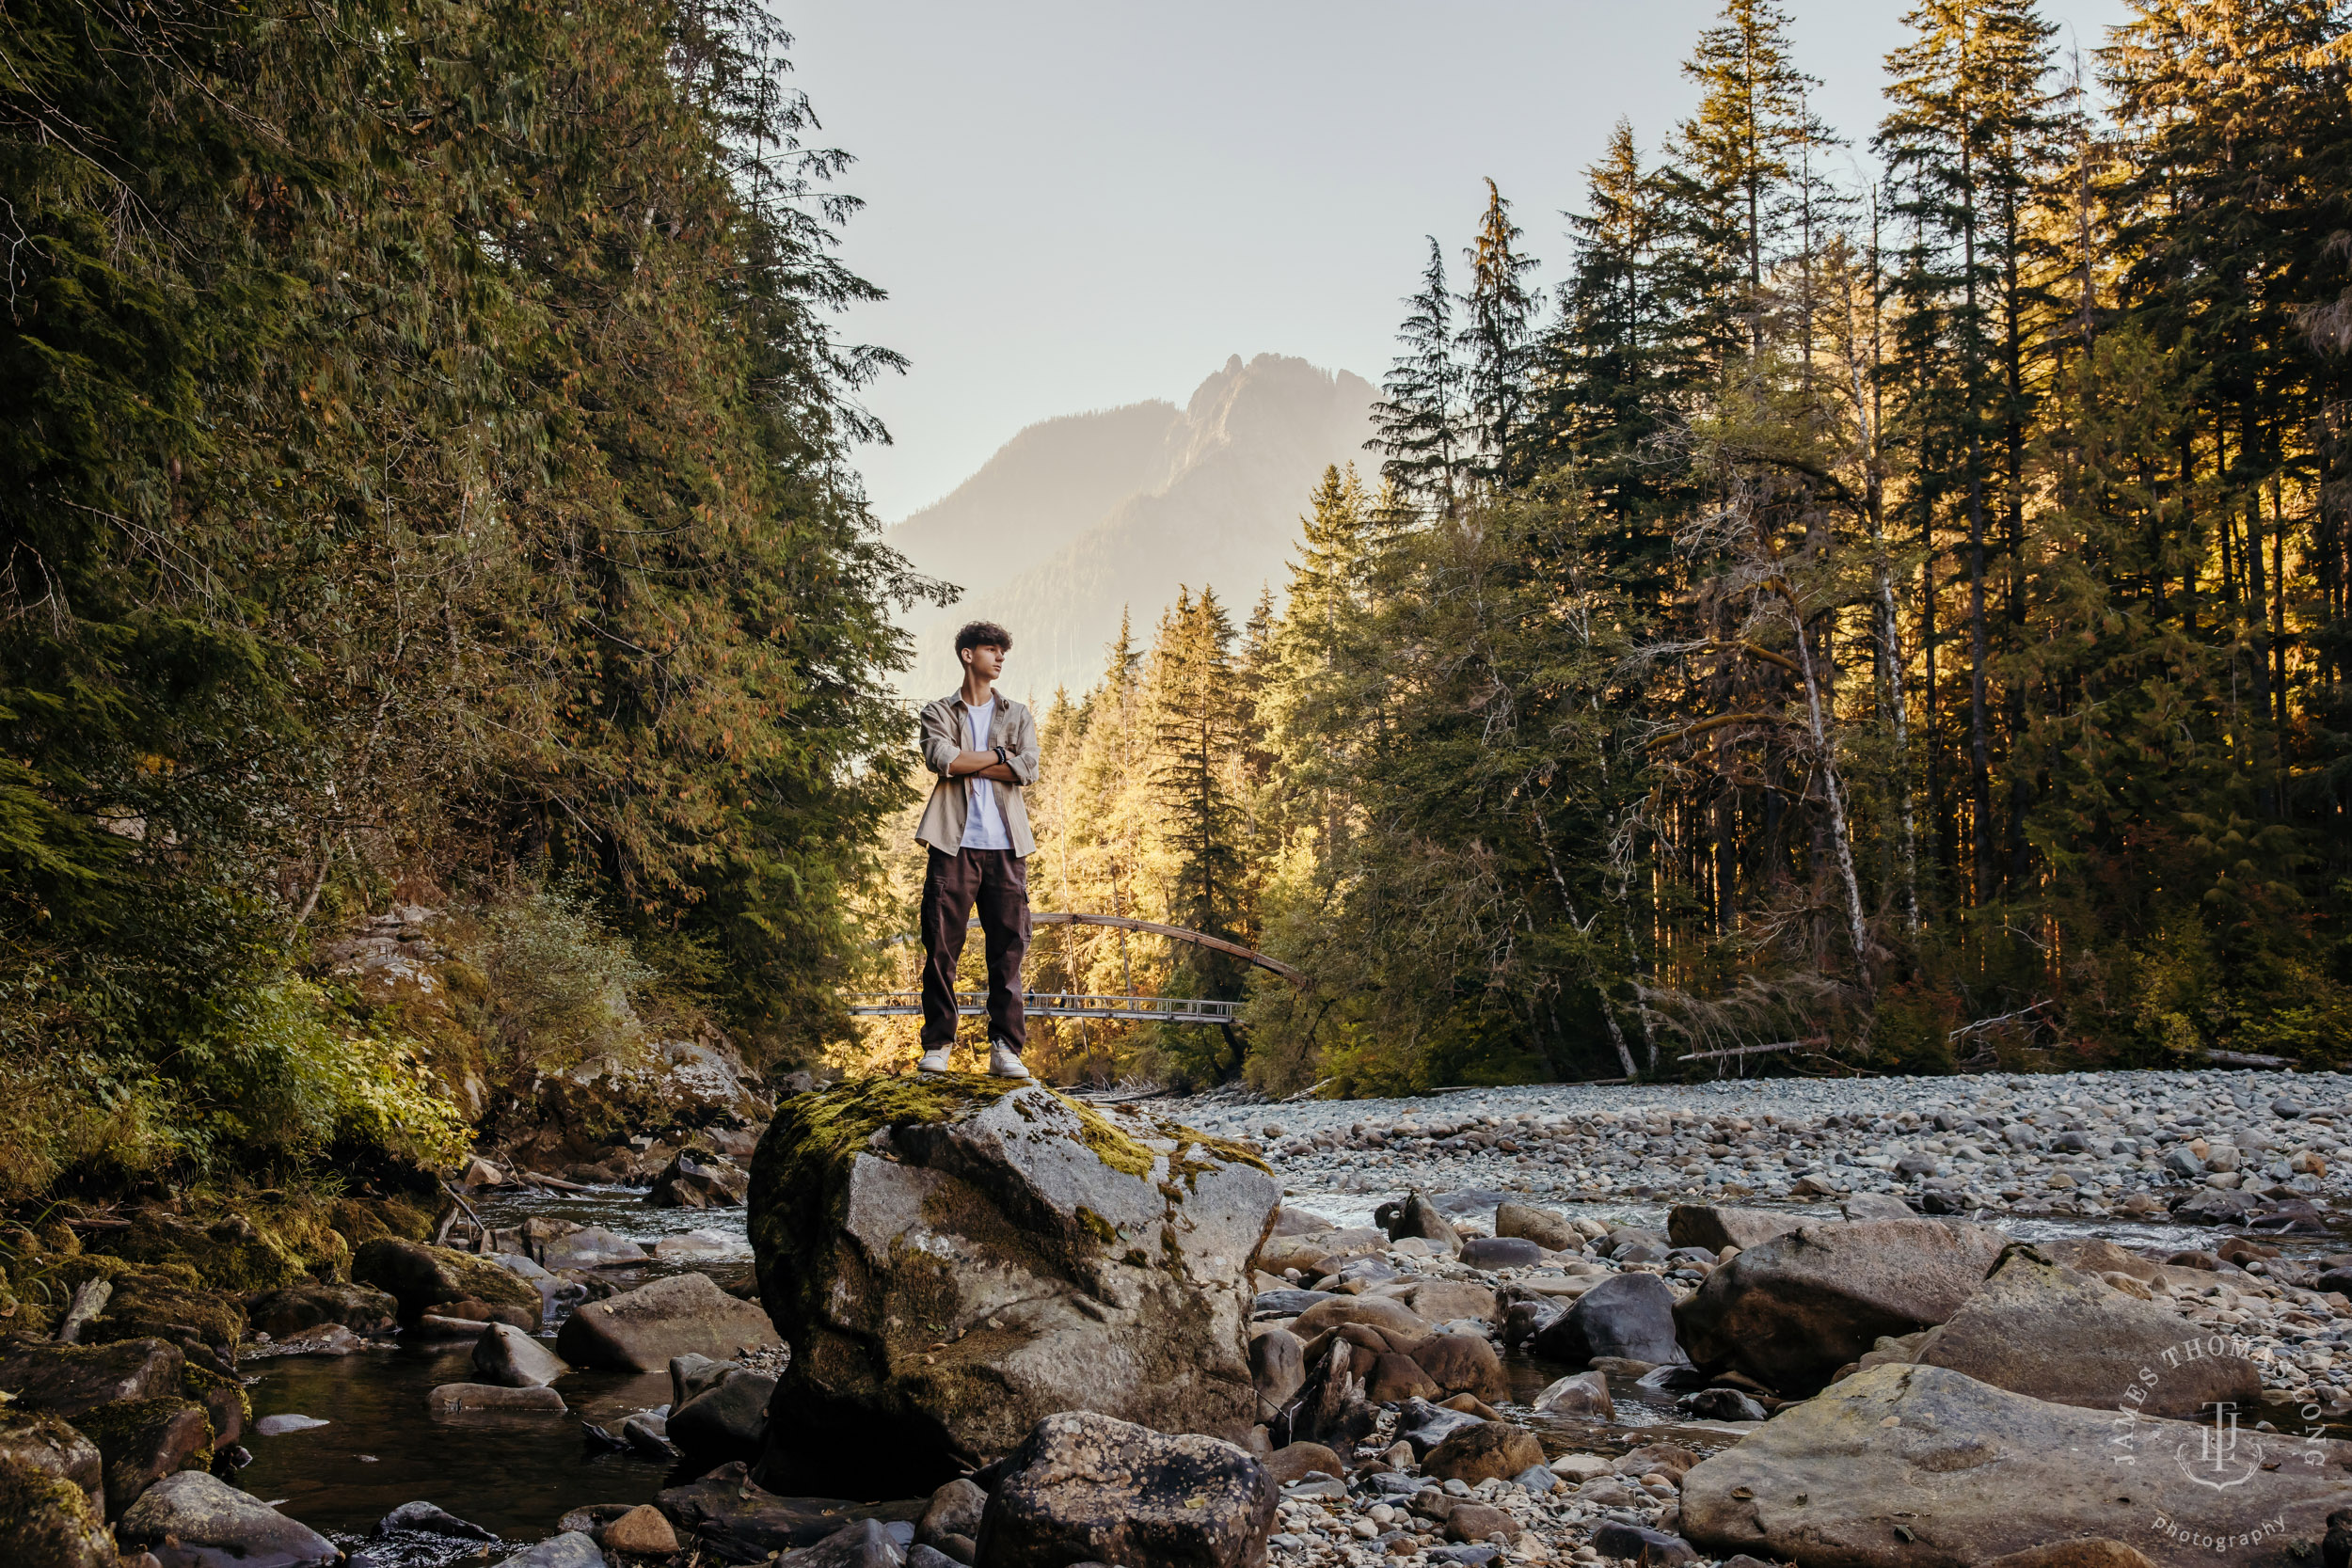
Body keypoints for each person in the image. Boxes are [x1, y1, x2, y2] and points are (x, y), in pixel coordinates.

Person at [914, 621, 1041, 1077]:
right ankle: (938, 1047)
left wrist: (974, 761)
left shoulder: (1018, 714)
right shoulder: (939, 711)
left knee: (1008, 949)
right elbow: (942, 760)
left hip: (1008, 846)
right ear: (968, 655)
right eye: (992, 649)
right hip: (953, 844)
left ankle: (1005, 1050)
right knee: (941, 948)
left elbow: (1028, 769)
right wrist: (999, 758)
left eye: (1002, 650)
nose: (1000, 657)